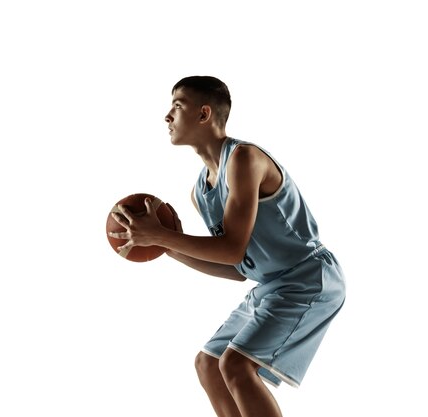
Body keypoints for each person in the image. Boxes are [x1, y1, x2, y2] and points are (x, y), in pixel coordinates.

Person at [108, 76, 346, 417]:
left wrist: (161, 235)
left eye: (177, 106)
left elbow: (232, 248)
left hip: (309, 277)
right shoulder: (200, 192)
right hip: (272, 285)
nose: (167, 116)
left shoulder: (244, 160)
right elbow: (235, 269)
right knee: (209, 364)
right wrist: (166, 247)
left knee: (235, 365)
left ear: (204, 114)